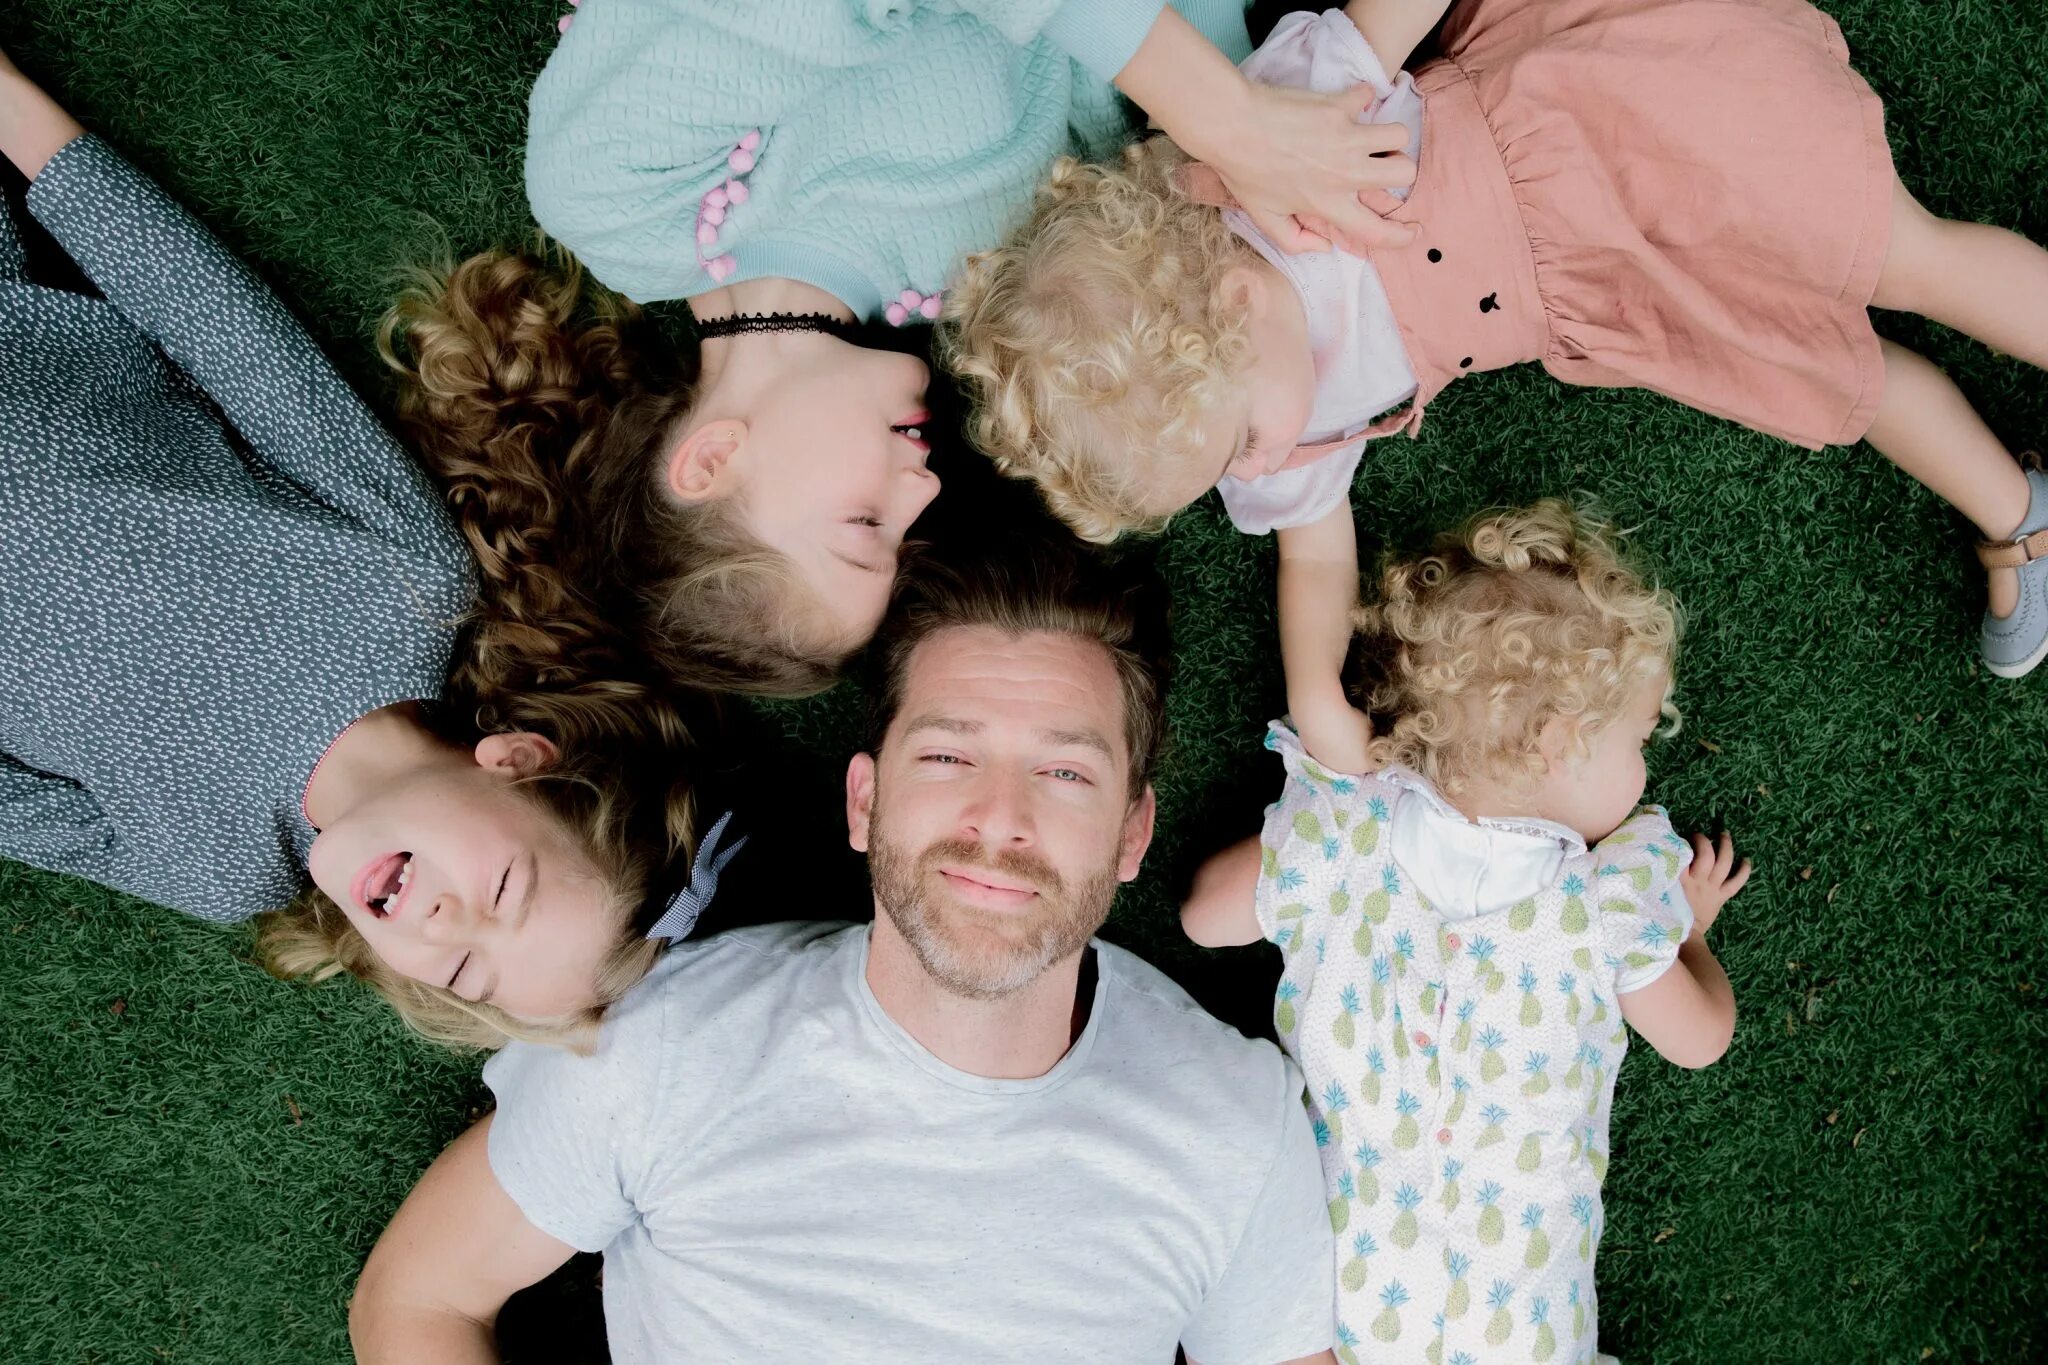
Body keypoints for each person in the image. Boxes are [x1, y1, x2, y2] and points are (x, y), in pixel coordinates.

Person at [348, 543, 1342, 1363]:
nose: (1000, 820)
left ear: (1130, 835)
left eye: (1063, 771)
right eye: (948, 757)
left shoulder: (1234, 1125)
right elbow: (420, 1300)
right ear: (865, 801)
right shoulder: (670, 1047)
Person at [943, 0, 2048, 677]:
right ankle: (2016, 513)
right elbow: (1312, 559)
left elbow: (1386, 21)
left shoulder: (1275, 139)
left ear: (1234, 308)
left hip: (1632, 128)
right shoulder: (1287, 424)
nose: (1263, 470)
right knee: (1824, 376)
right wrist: (1321, 696)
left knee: (1900, 252)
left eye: (1240, 446)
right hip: (1617, 294)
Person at [382, 0, 1425, 699]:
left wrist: (1229, 117)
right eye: (905, 535)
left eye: (863, 523)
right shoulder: (992, 287)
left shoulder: (622, 199)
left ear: (711, 461)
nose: (921, 493)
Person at [0, 52, 696, 1048]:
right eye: (505, 888)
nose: (446, 926)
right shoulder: (406, 584)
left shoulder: (214, 868)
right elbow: (229, 337)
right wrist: (18, 115)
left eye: (462, 970)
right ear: (515, 761)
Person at [1180, 500, 1747, 1362]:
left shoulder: (1349, 844)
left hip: (1336, 1330)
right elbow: (1701, 1038)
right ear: (1560, 742)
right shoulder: (1606, 908)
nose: (1644, 765)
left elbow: (1204, 915)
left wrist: (1311, 825)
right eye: (1639, 737)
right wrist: (1688, 931)